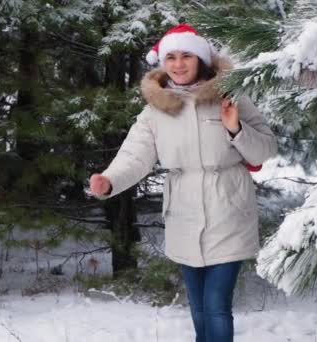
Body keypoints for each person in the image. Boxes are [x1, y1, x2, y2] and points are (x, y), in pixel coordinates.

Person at [88, 23, 277, 342]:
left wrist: (235, 129)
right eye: (171, 56)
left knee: (216, 304)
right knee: (200, 308)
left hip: (228, 211)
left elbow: (266, 148)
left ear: (201, 59)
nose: (178, 64)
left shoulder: (230, 94)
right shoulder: (155, 110)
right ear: (162, 62)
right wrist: (109, 181)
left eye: (186, 55)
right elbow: (135, 156)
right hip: (183, 215)